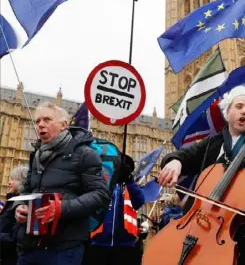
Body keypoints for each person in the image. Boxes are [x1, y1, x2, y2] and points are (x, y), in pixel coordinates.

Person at [157, 84, 245, 265]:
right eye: (239, 106)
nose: (243, 112)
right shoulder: (211, 145)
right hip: (205, 233)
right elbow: (183, 156)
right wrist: (174, 162)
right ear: (228, 111)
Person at [13, 102, 110, 265]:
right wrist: (20, 206)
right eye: (37, 121)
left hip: (64, 248)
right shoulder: (37, 155)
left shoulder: (84, 154)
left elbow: (100, 195)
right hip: (31, 246)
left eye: (47, 119)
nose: (40, 125)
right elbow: (28, 190)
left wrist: (62, 208)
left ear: (64, 125)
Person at [84, 154, 145, 265]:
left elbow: (139, 201)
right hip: (98, 243)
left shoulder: (130, 186)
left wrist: (128, 179)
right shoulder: (101, 184)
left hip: (125, 245)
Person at [0, 165, 28, 265]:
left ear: (20, 182)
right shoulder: (12, 201)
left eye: (13, 179)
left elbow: (14, 238)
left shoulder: (20, 206)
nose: (9, 182)